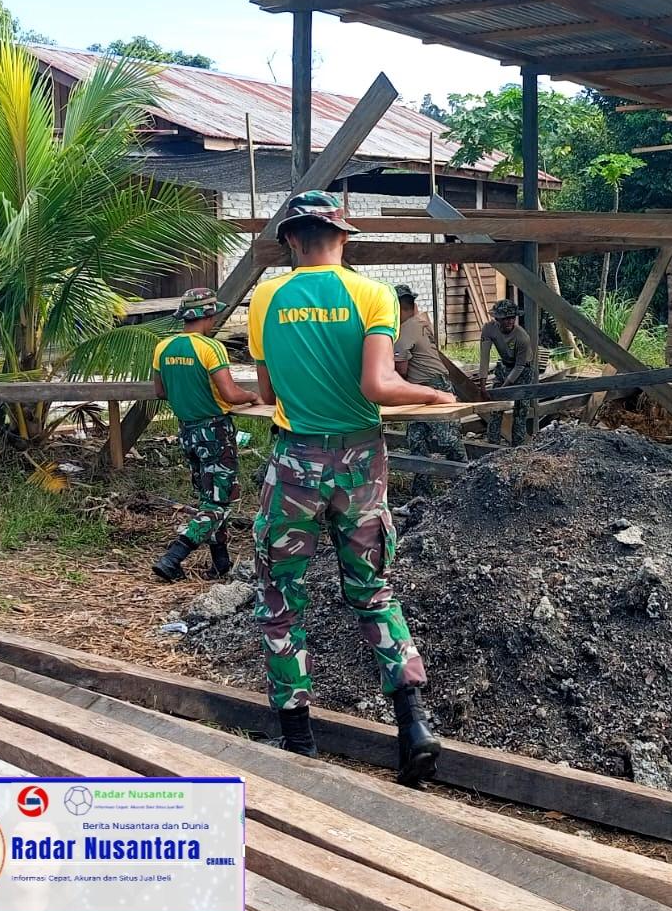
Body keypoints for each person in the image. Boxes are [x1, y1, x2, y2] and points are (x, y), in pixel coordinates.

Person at [247, 191, 452, 785]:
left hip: (295, 461)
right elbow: (379, 385)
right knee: (373, 590)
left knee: (283, 599)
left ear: (290, 240)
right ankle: (412, 725)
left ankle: (298, 739)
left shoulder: (267, 296)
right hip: (362, 461)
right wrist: (435, 394)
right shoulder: (374, 294)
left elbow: (265, 389)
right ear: (345, 237)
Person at [151, 288, 262, 582]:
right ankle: (173, 556)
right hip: (214, 432)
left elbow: (160, 391)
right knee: (218, 503)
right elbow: (230, 393)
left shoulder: (164, 347)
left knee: (209, 499)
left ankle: (221, 563)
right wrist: (251, 397)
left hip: (186, 431)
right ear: (208, 315)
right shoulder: (210, 348)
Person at [393, 284, 468, 488]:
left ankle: (468, 482)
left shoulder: (405, 332)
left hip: (432, 387)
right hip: (423, 388)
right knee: (417, 440)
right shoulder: (421, 323)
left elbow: (401, 371)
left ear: (397, 307)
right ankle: (421, 490)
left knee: (447, 438)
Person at [480, 299, 536, 445]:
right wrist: (483, 384)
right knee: (495, 407)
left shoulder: (522, 337)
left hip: (523, 370)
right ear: (497, 319)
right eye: (505, 318)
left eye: (512, 318)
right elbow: (484, 357)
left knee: (520, 409)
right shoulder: (488, 329)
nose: (509, 321)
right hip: (504, 366)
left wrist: (505, 387)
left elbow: (519, 366)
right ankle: (492, 443)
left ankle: (517, 445)